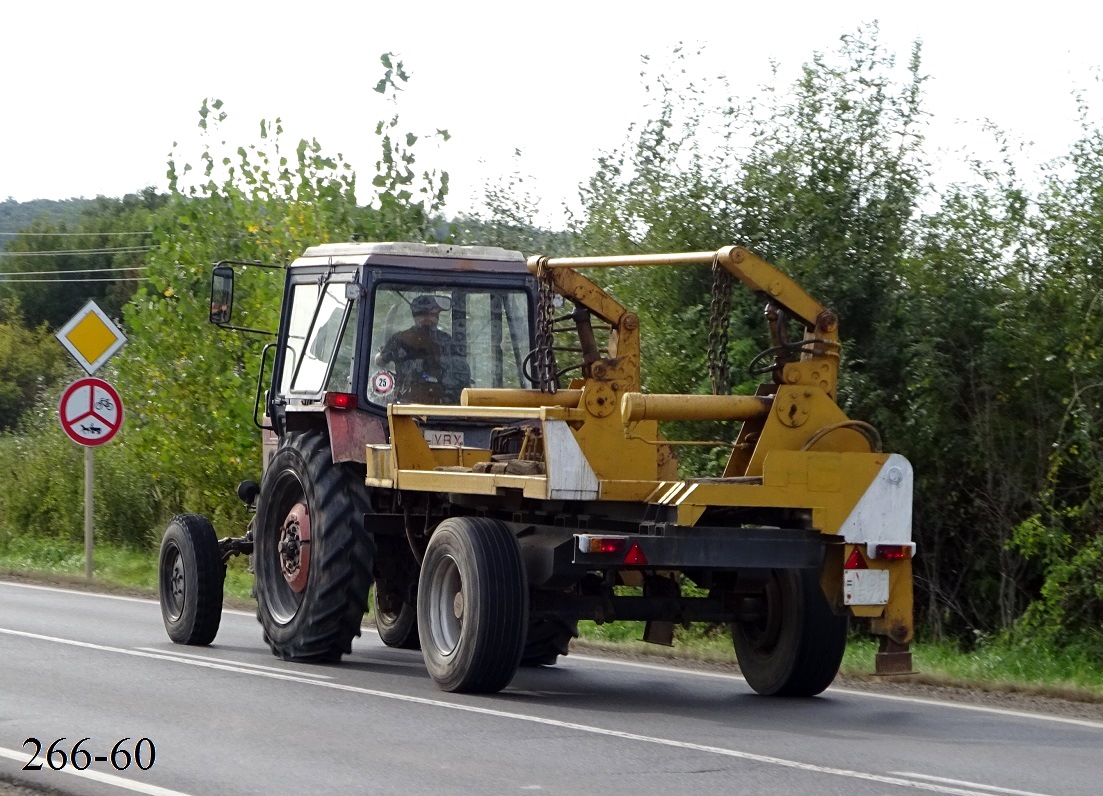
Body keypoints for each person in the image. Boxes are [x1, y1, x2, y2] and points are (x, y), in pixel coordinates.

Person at [375, 295, 470, 403]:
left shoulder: (446, 341)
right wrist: (384, 354)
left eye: (433, 314)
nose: (429, 319)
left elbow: (461, 373)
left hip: (441, 404)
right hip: (405, 403)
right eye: (424, 314)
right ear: (415, 316)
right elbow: (380, 362)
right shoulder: (400, 339)